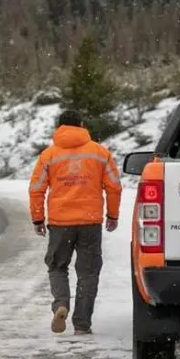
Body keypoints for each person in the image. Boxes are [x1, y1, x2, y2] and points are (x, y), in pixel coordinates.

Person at [28, 109, 122, 335]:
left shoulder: (49, 155)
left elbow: (36, 189)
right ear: (81, 125)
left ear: (59, 127)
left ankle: (61, 303)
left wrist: (38, 218)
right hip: (90, 222)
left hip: (60, 223)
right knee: (88, 273)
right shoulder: (99, 153)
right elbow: (114, 186)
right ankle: (82, 324)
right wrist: (112, 215)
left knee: (57, 266)